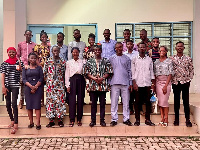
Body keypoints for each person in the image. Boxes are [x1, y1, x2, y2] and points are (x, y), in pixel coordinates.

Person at [83, 44, 113, 127]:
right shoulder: (89, 61)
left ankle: (102, 120)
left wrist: (102, 78)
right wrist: (94, 78)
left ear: (101, 51)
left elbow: (109, 71)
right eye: (96, 50)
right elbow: (86, 72)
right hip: (93, 85)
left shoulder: (106, 61)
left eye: (99, 50)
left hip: (102, 86)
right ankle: (93, 120)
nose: (97, 52)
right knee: (93, 104)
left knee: (102, 104)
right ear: (94, 51)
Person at [171, 41, 194, 127]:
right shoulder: (172, 59)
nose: (180, 48)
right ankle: (176, 119)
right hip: (176, 82)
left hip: (185, 82)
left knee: (186, 101)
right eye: (178, 46)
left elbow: (191, 70)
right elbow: (170, 70)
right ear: (175, 48)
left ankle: (187, 120)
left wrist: (189, 80)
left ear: (184, 48)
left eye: (181, 46)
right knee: (176, 101)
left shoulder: (188, 59)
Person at [0, 47, 23, 134]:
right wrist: (3, 87)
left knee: (14, 104)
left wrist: (20, 63)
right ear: (7, 53)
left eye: (13, 52)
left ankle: (16, 123)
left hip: (15, 86)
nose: (12, 53)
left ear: (15, 53)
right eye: (10, 52)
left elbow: (22, 70)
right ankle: (12, 120)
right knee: (8, 104)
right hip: (7, 86)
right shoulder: (4, 63)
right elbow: (2, 75)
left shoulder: (18, 62)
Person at [109, 42, 133, 127]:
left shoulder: (127, 58)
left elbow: (130, 71)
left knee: (126, 102)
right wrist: (109, 83)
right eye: (117, 47)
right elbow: (109, 72)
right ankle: (114, 119)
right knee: (114, 102)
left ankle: (126, 119)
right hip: (114, 83)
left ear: (123, 48)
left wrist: (130, 83)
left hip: (125, 83)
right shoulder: (111, 59)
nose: (119, 49)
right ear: (115, 48)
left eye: (120, 47)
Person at [131, 42, 155, 126]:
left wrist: (152, 83)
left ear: (146, 49)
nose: (142, 49)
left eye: (143, 47)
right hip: (138, 83)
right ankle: (137, 120)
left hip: (147, 83)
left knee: (148, 102)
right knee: (137, 102)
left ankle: (147, 120)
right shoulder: (134, 59)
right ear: (138, 48)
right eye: (140, 47)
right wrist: (134, 83)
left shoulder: (149, 59)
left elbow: (151, 71)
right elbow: (133, 72)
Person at [44, 46, 66, 128]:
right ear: (52, 51)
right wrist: (48, 81)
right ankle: (51, 120)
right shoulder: (48, 61)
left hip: (59, 85)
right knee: (50, 102)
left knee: (60, 102)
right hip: (50, 86)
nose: (55, 52)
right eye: (54, 50)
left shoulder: (62, 61)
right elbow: (45, 72)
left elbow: (64, 73)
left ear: (59, 51)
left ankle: (60, 120)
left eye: (57, 50)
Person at [22, 52, 43, 130]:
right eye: (31, 58)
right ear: (28, 59)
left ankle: (38, 123)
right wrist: (31, 86)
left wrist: (36, 86)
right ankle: (31, 122)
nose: (33, 59)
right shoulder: (25, 68)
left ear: (36, 59)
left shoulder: (39, 68)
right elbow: (24, 79)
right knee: (29, 106)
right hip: (28, 88)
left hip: (38, 88)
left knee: (37, 106)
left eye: (34, 58)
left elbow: (41, 78)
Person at [65, 47, 85, 127]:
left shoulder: (82, 62)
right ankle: (72, 119)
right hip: (72, 81)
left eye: (76, 52)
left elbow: (84, 73)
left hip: (80, 80)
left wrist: (86, 83)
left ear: (79, 53)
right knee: (72, 101)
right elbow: (67, 74)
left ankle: (79, 119)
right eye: (73, 52)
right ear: (71, 53)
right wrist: (68, 85)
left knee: (80, 100)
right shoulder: (69, 63)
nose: (75, 54)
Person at [154, 46, 173, 127]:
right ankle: (162, 118)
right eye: (160, 50)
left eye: (163, 51)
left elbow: (170, 74)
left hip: (166, 83)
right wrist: (154, 85)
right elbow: (154, 74)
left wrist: (166, 85)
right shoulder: (156, 62)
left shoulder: (169, 61)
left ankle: (166, 119)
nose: (161, 52)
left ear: (166, 52)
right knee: (160, 101)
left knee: (164, 101)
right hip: (158, 82)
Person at [17, 30, 36, 109]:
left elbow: (36, 56)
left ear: (31, 36)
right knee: (22, 82)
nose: (28, 36)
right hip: (23, 66)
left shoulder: (35, 45)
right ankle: (21, 99)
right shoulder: (21, 44)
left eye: (30, 35)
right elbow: (18, 56)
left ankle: (31, 100)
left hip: (31, 66)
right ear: (25, 35)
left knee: (31, 83)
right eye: (27, 34)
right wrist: (20, 64)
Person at [34, 30, 51, 107]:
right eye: (42, 37)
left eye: (45, 37)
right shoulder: (37, 47)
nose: (44, 38)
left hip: (48, 68)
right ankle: (41, 101)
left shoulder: (50, 47)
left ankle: (48, 100)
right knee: (40, 84)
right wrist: (40, 66)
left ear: (47, 38)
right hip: (39, 67)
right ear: (40, 38)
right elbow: (35, 57)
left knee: (48, 84)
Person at [123, 40, 139, 115]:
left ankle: (138, 109)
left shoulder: (137, 54)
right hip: (127, 75)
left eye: (131, 44)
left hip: (136, 75)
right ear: (126, 45)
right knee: (129, 92)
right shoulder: (124, 54)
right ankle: (130, 108)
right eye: (128, 44)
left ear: (133, 45)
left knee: (137, 93)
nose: (129, 45)